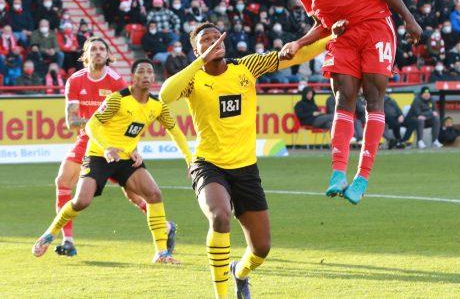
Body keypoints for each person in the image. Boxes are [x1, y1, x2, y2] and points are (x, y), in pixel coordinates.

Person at [160, 22, 337, 299]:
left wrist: (332, 38)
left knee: (261, 249)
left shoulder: (247, 66)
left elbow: (294, 55)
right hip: (208, 164)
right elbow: (165, 95)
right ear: (196, 49)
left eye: (216, 37)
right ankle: (221, 295)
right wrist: (199, 62)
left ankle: (239, 273)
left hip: (245, 168)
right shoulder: (193, 78)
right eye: (205, 40)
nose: (213, 42)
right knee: (220, 216)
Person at [279, 0, 423, 205]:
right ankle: (337, 173)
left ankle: (362, 177)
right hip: (341, 35)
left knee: (373, 96)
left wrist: (408, 18)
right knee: (343, 96)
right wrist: (300, 42)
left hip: (374, 26)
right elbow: (321, 23)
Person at [33, 59, 191, 263]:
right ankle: (50, 234)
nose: (145, 75)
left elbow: (175, 130)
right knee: (82, 201)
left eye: (149, 72)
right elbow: (91, 126)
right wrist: (107, 146)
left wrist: (190, 159)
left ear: (154, 78)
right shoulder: (118, 99)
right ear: (133, 77)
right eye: (141, 72)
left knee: (153, 194)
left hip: (125, 158)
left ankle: (161, 254)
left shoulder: (157, 105)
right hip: (99, 154)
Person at [52, 37, 161, 257]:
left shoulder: (116, 81)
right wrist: (95, 123)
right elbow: (71, 120)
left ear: (108, 54)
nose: (98, 52)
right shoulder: (75, 80)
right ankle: (68, 240)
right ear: (86, 55)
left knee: (133, 194)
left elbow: (133, 116)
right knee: (63, 180)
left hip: (115, 142)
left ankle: (165, 227)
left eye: (102, 49)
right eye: (93, 49)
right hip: (88, 140)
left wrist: (133, 147)